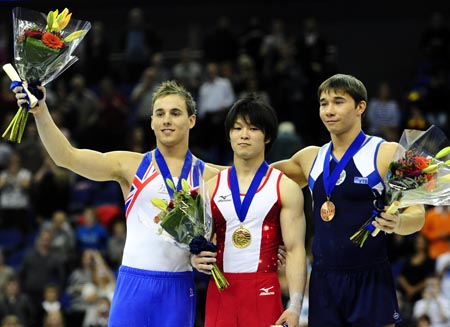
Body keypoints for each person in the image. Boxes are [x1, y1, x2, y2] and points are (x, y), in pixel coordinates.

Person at [13, 80, 218, 327]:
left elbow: (268, 179)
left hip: (178, 287)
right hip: (133, 285)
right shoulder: (130, 166)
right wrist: (41, 111)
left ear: (191, 120)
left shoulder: (210, 176)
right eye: (160, 114)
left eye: (175, 113)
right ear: (151, 121)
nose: (167, 120)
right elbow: (67, 157)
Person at [272, 73, 426, 327]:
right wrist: (197, 169)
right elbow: (253, 177)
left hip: (370, 279)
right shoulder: (310, 158)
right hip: (324, 280)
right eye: (323, 103)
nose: (329, 110)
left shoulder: (385, 153)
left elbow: (418, 215)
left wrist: (398, 222)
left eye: (338, 101)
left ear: (361, 107)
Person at [192, 95, 307, 327]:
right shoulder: (210, 188)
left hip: (263, 289)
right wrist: (194, 258)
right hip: (220, 290)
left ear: (268, 136)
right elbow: (198, 241)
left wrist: (295, 306)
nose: (244, 135)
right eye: (237, 128)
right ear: (229, 135)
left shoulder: (285, 187)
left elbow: (295, 250)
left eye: (253, 128)